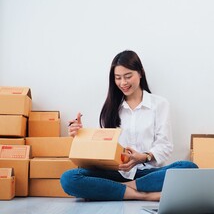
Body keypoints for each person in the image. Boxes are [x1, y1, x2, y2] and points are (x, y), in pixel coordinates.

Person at [60, 50, 198, 201]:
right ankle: (142, 195)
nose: (123, 83)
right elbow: (102, 147)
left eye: (128, 76)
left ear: (140, 73)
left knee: (188, 168)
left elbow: (164, 146)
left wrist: (143, 157)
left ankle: (120, 187)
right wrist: (80, 135)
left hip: (148, 173)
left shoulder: (159, 104)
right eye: (118, 78)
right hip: (116, 172)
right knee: (69, 178)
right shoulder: (109, 107)